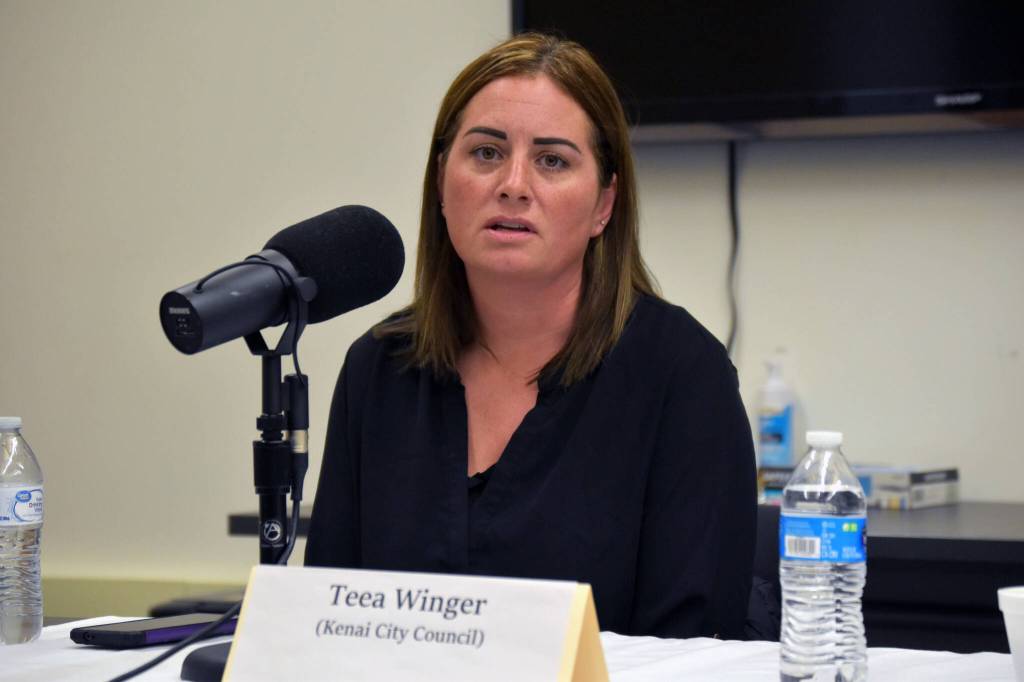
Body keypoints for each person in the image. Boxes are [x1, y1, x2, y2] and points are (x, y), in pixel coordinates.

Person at [305, 32, 756, 640]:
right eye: (487, 153)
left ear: (604, 205)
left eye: (552, 160)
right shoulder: (379, 368)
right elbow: (334, 624)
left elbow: (696, 650)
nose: (513, 183)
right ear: (442, 182)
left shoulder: (681, 375)